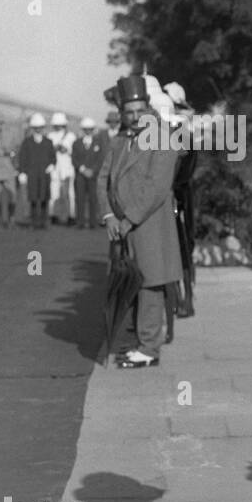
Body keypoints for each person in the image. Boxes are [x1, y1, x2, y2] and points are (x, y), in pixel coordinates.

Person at [97, 77, 183, 368]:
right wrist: (109, 215)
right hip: (122, 227)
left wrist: (129, 218)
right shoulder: (120, 140)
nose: (134, 117)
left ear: (148, 108)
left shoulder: (162, 137)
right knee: (128, 284)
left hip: (149, 226)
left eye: (138, 110)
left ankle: (149, 348)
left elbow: (156, 186)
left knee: (149, 285)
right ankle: (136, 340)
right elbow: (103, 178)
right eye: (128, 111)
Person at [17, 113, 55, 229]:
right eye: (36, 128)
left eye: (40, 127)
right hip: (32, 173)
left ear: (43, 128)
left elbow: (53, 156)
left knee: (44, 198)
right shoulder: (27, 142)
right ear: (33, 128)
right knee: (33, 198)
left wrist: (52, 165)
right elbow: (22, 157)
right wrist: (22, 172)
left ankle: (44, 221)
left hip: (44, 174)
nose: (38, 130)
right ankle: (33, 222)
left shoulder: (48, 142)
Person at [73, 116, 106, 229]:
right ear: (83, 130)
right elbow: (74, 158)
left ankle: (93, 222)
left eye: (90, 129)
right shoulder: (76, 143)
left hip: (93, 175)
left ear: (93, 129)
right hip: (80, 175)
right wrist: (82, 169)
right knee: (80, 198)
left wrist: (93, 170)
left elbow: (100, 159)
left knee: (93, 198)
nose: (88, 131)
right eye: (86, 129)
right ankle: (80, 222)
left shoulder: (98, 143)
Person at [47, 113, 77, 225]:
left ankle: (71, 215)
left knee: (70, 193)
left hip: (68, 168)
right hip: (55, 168)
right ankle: (52, 215)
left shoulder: (71, 136)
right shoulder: (50, 136)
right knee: (53, 193)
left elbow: (75, 151)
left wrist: (66, 149)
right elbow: (48, 151)